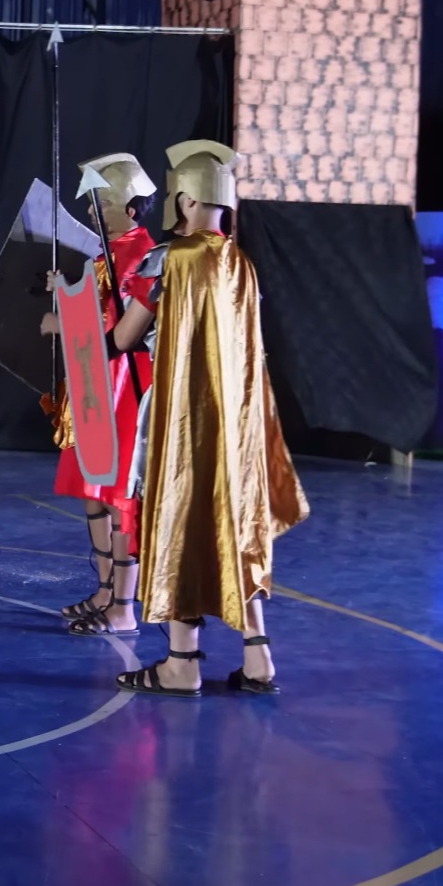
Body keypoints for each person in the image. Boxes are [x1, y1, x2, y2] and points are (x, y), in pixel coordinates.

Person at [102, 140, 309, 696]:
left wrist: (76, 324)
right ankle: (259, 660)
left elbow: (122, 339)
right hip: (237, 428)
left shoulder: (168, 260)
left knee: (181, 523)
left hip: (184, 420)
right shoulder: (242, 265)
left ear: (185, 200)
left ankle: (181, 664)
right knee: (235, 525)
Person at [38, 155, 157, 637]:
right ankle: (106, 592)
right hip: (96, 383)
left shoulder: (143, 256)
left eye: (99, 203)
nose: (90, 212)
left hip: (126, 387)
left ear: (129, 209)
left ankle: (123, 607)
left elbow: (119, 334)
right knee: (93, 493)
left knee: (117, 496)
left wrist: (63, 322)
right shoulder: (109, 254)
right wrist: (67, 293)